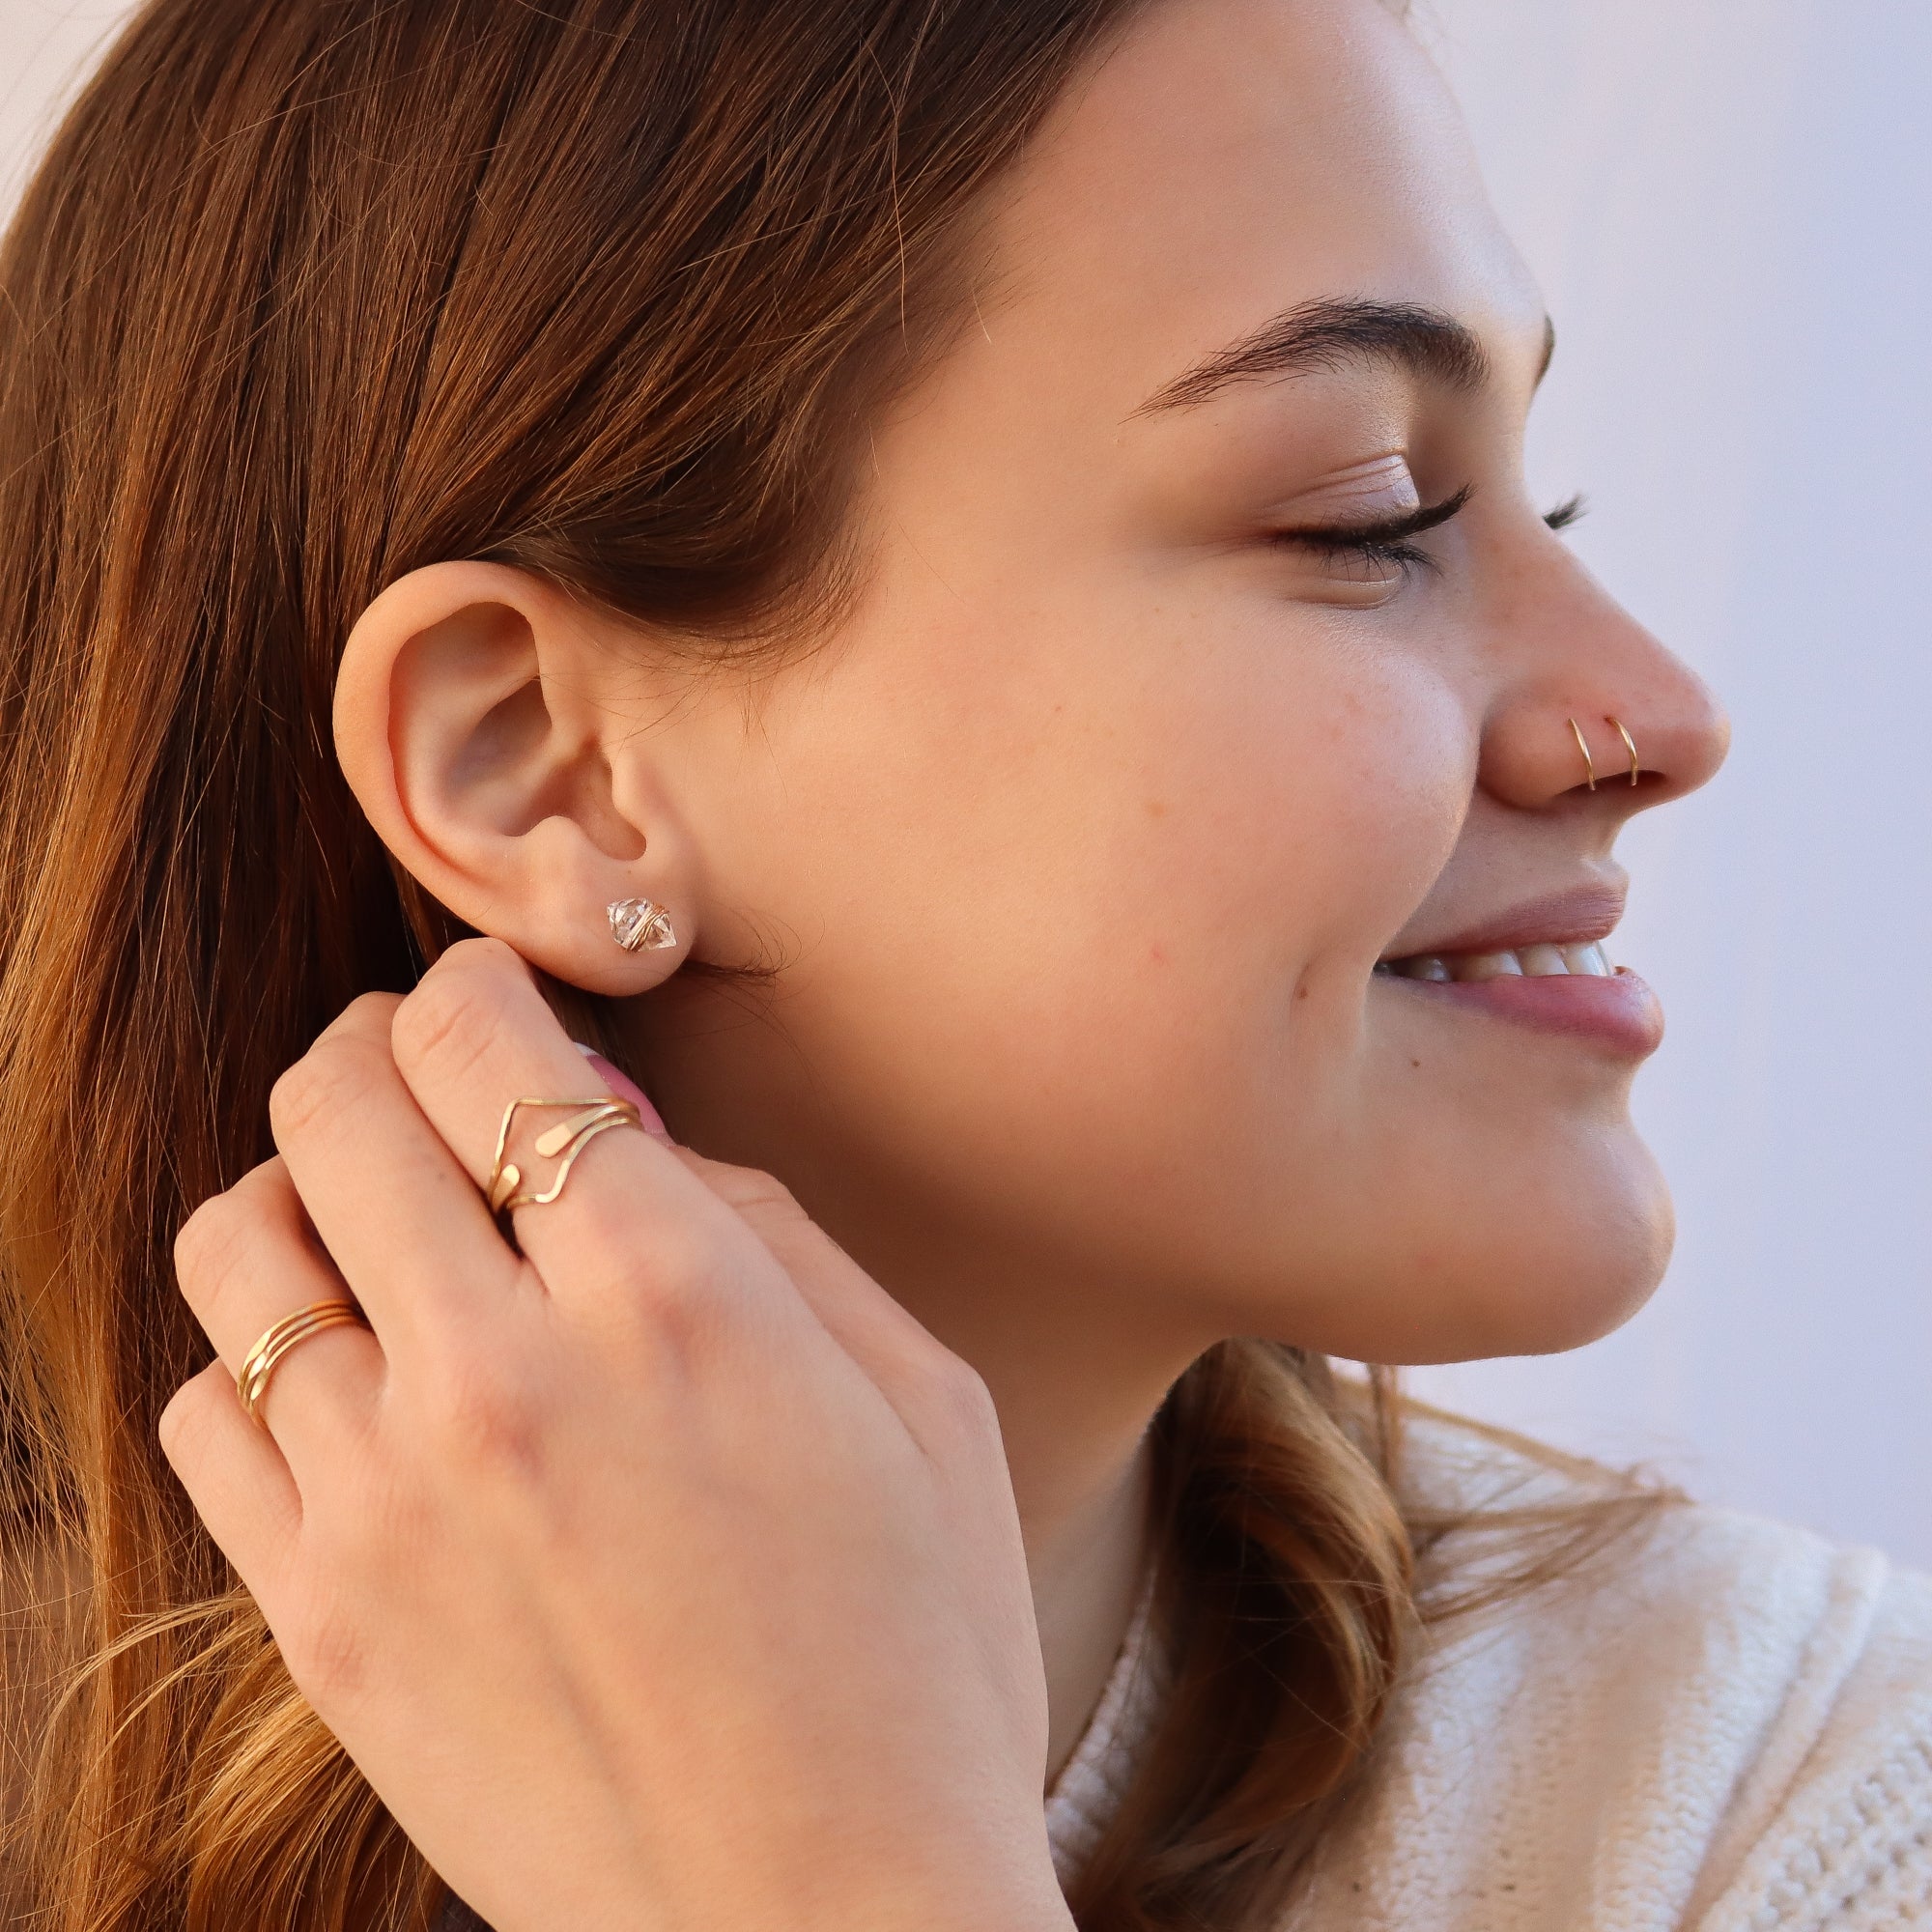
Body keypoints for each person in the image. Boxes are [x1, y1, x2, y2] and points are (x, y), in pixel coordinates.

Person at [0, 0, 1925, 1926]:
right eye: (1369, 517)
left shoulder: (1789, 1814)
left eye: (1543, 497)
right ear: (542, 770)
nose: (1657, 714)